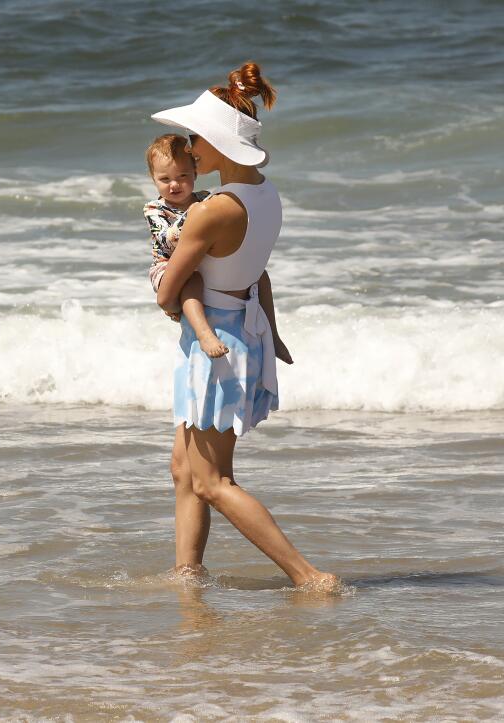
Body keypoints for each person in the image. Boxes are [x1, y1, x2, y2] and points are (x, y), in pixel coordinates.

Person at [151, 62, 341, 592]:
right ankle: (187, 576)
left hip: (217, 341)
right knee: (184, 471)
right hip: (241, 331)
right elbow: (260, 272)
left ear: (216, 145)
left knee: (212, 481)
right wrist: (274, 334)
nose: (189, 150)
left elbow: (169, 292)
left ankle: (309, 576)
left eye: (196, 140)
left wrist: (165, 285)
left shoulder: (214, 210)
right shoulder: (266, 194)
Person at [144, 134, 225, 357]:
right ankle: (204, 334)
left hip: (195, 262)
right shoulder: (154, 209)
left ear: (195, 173)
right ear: (153, 179)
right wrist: (194, 214)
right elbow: (166, 240)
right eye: (164, 179)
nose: (174, 184)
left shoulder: (205, 199)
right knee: (193, 279)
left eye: (182, 175)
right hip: (166, 267)